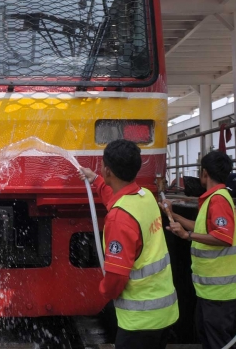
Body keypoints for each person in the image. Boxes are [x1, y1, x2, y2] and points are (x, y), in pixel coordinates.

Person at [79, 139, 178, 349]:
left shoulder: (118, 218)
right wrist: (96, 179)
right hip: (164, 314)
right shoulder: (146, 198)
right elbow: (116, 199)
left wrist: (103, 290)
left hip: (139, 323)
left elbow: (116, 278)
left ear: (108, 171)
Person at [160, 151, 236, 349]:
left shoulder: (218, 200)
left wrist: (186, 236)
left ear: (204, 173)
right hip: (211, 290)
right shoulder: (213, 198)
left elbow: (223, 237)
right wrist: (173, 214)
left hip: (221, 291)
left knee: (218, 341)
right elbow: (201, 227)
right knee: (206, 334)